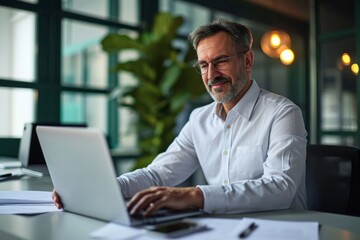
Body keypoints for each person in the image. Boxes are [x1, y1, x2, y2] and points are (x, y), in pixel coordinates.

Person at [53, 19, 307, 217]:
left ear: (248, 60)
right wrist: (103, 188)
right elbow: (157, 175)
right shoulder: (199, 120)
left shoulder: (283, 113)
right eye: (204, 65)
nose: (211, 75)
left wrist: (195, 196)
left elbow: (280, 188)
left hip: (281, 229)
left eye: (221, 61)